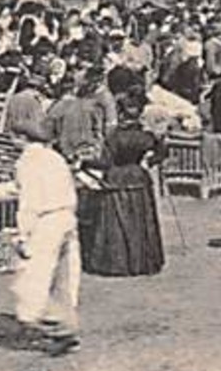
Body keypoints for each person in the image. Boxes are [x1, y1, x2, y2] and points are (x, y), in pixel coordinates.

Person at [11, 121, 82, 354]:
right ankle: (66, 322)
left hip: (46, 222)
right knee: (63, 276)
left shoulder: (26, 162)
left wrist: (23, 234)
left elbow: (29, 201)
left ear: (21, 138)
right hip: (66, 216)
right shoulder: (55, 157)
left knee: (36, 274)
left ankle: (51, 326)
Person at [79, 94, 164, 277]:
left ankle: (116, 263)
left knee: (115, 221)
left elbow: (105, 162)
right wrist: (150, 161)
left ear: (121, 113)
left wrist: (85, 164)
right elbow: (161, 152)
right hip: (138, 177)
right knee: (141, 219)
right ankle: (141, 261)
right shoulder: (146, 136)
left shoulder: (114, 137)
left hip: (117, 177)